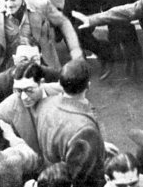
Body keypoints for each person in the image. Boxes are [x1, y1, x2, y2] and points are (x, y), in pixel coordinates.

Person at [35, 59, 106, 187]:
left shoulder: (45, 104)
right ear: (88, 86)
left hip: (50, 176)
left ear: (60, 85)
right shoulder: (85, 129)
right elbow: (86, 176)